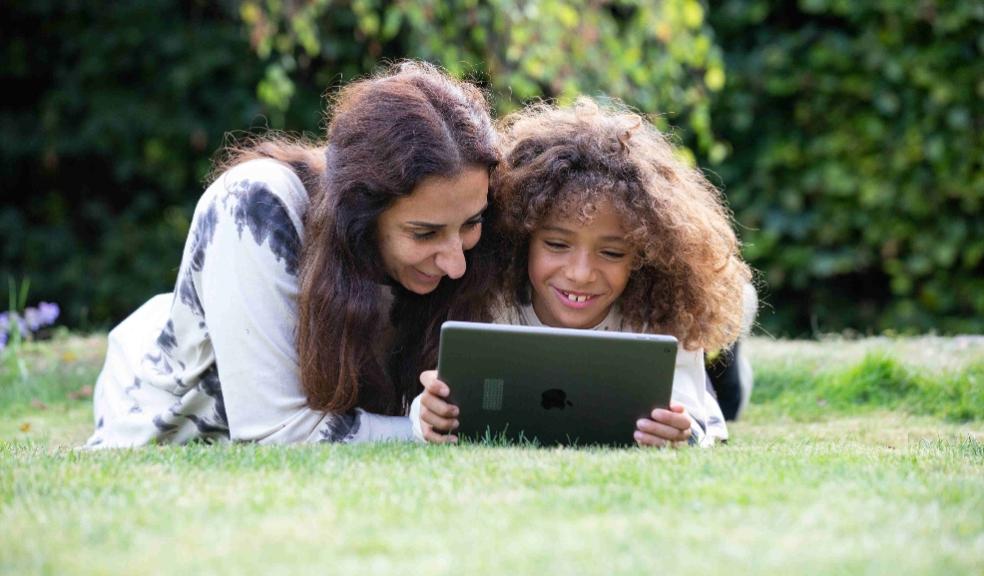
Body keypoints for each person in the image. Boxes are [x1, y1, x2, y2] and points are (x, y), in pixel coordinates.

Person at [85, 61, 500, 448]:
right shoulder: (255, 203)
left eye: (470, 224)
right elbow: (274, 430)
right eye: (424, 233)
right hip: (161, 429)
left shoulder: (462, 239)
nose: (455, 263)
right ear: (360, 211)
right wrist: (415, 429)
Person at [412, 98, 752, 447]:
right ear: (521, 238)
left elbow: (688, 416)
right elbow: (440, 394)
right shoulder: (489, 300)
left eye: (611, 252)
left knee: (726, 397)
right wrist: (426, 413)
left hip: (701, 383)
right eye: (557, 245)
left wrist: (680, 430)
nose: (580, 274)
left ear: (643, 256)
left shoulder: (661, 315)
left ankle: (736, 332)